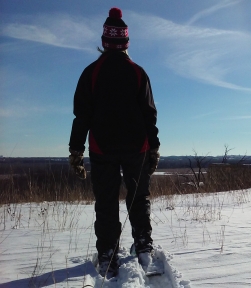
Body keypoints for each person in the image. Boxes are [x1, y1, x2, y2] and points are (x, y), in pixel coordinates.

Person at [68, 7, 160, 277]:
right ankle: (143, 246)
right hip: (137, 148)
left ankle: (108, 253)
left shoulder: (91, 73)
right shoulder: (138, 73)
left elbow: (81, 116)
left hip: (101, 148)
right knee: (138, 197)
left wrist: (76, 150)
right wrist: (154, 147)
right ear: (125, 43)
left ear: (105, 42)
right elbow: (149, 114)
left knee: (106, 201)